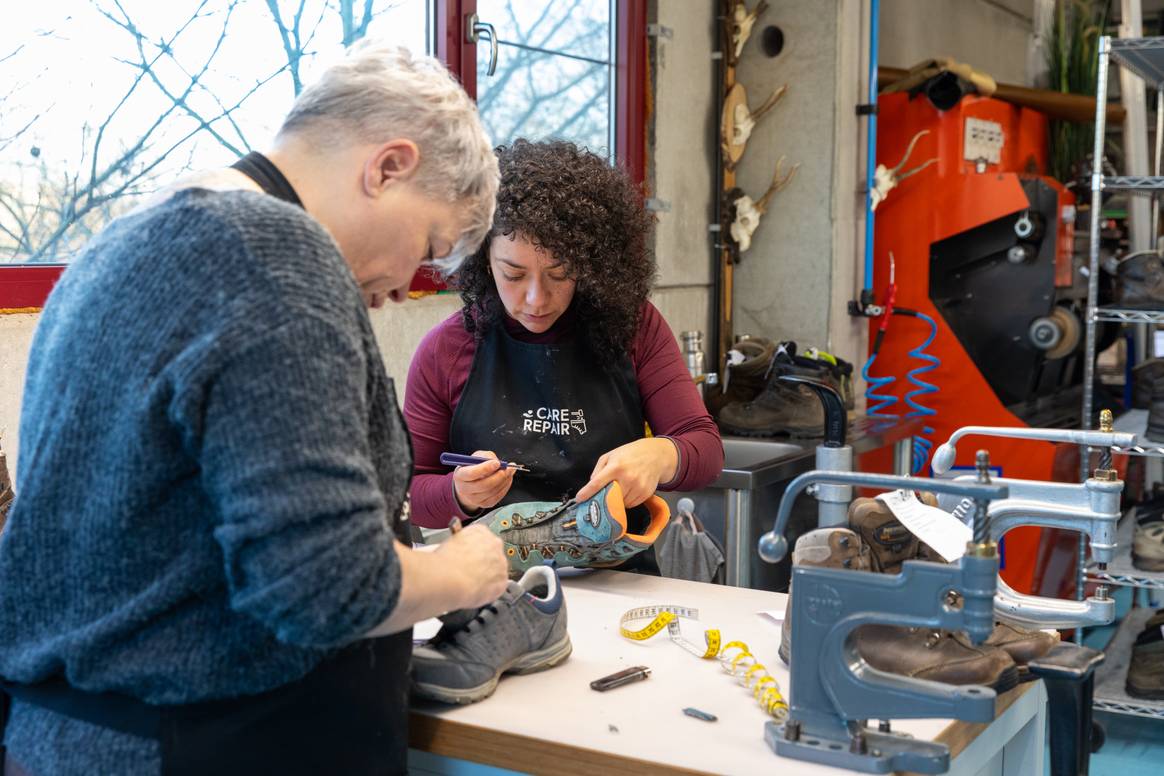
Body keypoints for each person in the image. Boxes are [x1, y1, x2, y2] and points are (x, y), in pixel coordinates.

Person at [0, 42, 508, 776]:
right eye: (427, 244)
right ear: (388, 166)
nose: (405, 286)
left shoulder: (123, 243)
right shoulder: (274, 256)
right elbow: (327, 588)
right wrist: (462, 572)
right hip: (196, 745)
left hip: (77, 739)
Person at [405, 139, 723, 540]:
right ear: (482, 258)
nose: (537, 299)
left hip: (618, 581)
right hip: (493, 583)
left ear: (590, 263)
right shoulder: (445, 350)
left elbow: (706, 450)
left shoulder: (633, 326)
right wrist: (458, 492)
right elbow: (408, 491)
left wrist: (662, 455)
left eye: (559, 273)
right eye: (514, 274)